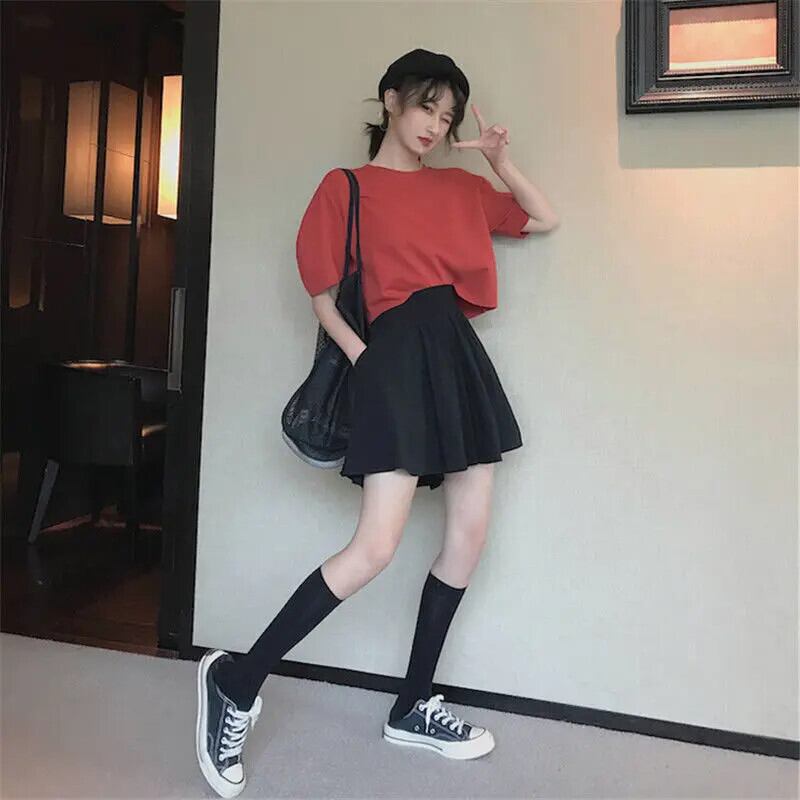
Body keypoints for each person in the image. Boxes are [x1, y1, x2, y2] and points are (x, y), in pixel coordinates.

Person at [195, 47, 559, 798]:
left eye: (448, 116)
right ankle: (236, 680)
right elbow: (320, 290)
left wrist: (499, 161)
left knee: (469, 535)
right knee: (375, 547)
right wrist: (366, 358)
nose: (435, 125)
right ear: (391, 99)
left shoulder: (459, 187)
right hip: (392, 356)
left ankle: (412, 704)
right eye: (426, 106)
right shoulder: (348, 188)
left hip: (456, 357)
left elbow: (543, 216)